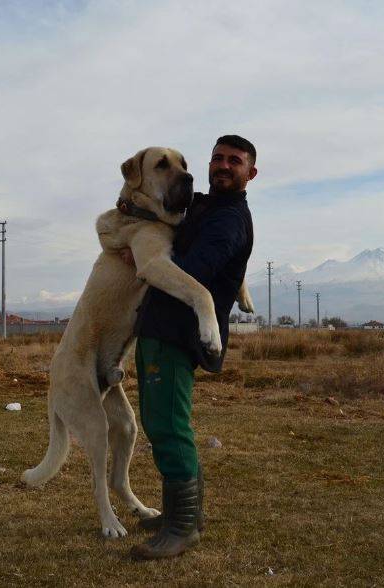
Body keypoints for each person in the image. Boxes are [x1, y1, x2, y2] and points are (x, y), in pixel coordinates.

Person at [126, 135, 257, 560]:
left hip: (176, 333)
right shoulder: (207, 206)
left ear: (249, 173)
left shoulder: (228, 221)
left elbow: (191, 271)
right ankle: (185, 514)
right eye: (217, 158)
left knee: (167, 425)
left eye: (234, 161)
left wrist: (145, 261)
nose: (222, 165)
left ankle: (182, 527)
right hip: (160, 328)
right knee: (160, 420)